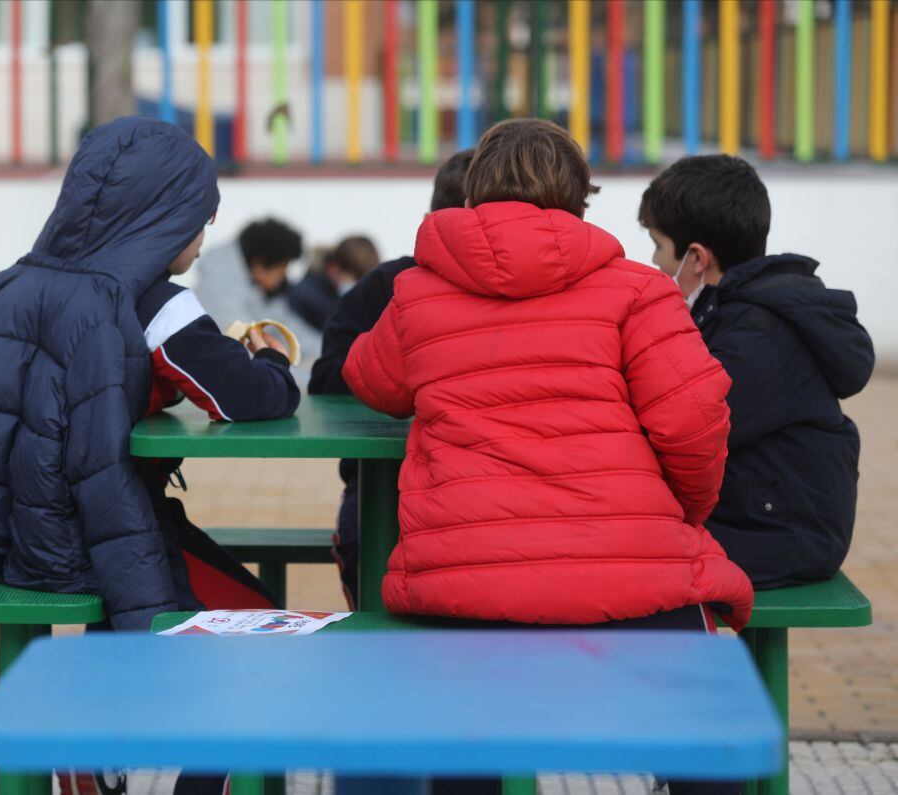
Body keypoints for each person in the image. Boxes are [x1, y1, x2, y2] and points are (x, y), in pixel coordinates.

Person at [0, 117, 299, 795]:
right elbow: (244, 397)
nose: (203, 242)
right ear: (160, 219)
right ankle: (144, 756)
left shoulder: (0, 289)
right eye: (200, 221)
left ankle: (90, 736)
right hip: (84, 538)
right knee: (267, 633)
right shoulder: (152, 301)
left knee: (154, 595)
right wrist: (276, 363)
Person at [343, 119, 753, 795]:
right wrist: (683, 513)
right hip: (629, 575)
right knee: (702, 734)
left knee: (463, 740)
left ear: (474, 191)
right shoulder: (637, 289)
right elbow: (694, 418)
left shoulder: (418, 293)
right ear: (577, 198)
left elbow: (371, 379)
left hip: (465, 582)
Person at [638, 155, 874, 590]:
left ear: (695, 259)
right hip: (768, 518)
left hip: (783, 536)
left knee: (624, 554)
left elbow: (691, 431)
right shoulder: (738, 312)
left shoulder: (757, 335)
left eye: (657, 245)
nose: (653, 262)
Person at [309, 149, 473, 607]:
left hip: (467, 487)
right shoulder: (389, 286)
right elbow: (328, 376)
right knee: (367, 547)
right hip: (382, 482)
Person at [194, 217, 321, 368]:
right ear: (259, 264)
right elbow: (245, 361)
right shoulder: (218, 296)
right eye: (282, 268)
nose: (284, 276)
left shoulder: (254, 288)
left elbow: (290, 329)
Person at [289, 235, 381, 331]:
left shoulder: (338, 299)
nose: (357, 287)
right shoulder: (306, 295)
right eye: (355, 279)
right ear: (334, 268)